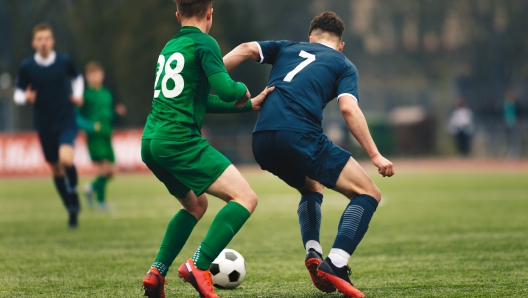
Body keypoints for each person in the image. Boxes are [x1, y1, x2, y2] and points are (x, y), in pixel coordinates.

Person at [224, 12, 394, 298]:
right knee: (368, 194)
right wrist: (376, 155)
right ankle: (336, 264)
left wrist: (210, 77)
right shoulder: (343, 63)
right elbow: (349, 109)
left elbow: (245, 49)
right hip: (299, 135)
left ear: (311, 37)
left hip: (262, 139)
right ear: (341, 45)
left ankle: (313, 250)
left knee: (311, 185)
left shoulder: (287, 47)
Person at [140, 1, 274, 297]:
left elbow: (198, 100)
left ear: (178, 15)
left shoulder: (171, 46)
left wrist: (246, 107)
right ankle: (198, 265)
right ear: (210, 12)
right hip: (179, 139)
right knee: (245, 198)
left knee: (196, 205)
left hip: (151, 142)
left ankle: (157, 271)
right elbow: (226, 90)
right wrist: (242, 92)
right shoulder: (205, 43)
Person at [13, 23, 84, 228]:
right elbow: (17, 92)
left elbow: (77, 77)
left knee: (66, 160)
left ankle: (73, 192)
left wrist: (78, 95)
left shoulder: (64, 61)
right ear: (34, 43)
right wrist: (24, 97)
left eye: (47, 38)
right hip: (44, 123)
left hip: (65, 119)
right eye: (40, 39)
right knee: (55, 168)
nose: (44, 42)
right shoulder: (27, 66)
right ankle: (70, 207)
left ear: (52, 41)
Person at [77, 61, 126, 210]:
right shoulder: (85, 96)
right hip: (95, 136)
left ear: (102, 75)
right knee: (104, 169)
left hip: (106, 135)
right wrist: (90, 127)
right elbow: (77, 117)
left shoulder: (106, 93)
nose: (95, 77)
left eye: (97, 73)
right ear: (87, 77)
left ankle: (91, 189)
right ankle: (101, 201)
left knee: (111, 170)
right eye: (92, 75)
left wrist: (115, 112)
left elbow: (106, 114)